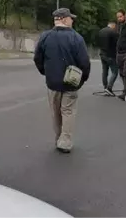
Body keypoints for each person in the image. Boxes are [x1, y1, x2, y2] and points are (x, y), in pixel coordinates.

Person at [34, 8, 91, 153]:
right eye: (71, 18)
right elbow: (84, 62)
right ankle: (65, 141)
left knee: (55, 111)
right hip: (71, 83)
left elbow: (37, 59)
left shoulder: (45, 37)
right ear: (64, 19)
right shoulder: (76, 38)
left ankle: (58, 137)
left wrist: (45, 73)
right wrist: (82, 79)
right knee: (68, 111)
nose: (72, 20)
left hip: (52, 82)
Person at [98, 21, 119, 96]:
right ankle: (109, 88)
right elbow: (117, 44)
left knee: (104, 71)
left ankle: (105, 87)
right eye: (115, 27)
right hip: (110, 55)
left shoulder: (101, 31)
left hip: (102, 54)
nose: (116, 28)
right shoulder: (113, 33)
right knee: (115, 72)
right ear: (113, 25)